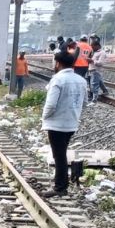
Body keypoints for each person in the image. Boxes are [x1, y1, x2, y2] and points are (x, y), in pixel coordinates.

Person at [41, 50, 86, 197]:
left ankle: (60, 187)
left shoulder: (57, 80)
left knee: (59, 155)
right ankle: (61, 182)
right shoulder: (81, 80)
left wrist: (43, 118)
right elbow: (84, 102)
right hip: (72, 122)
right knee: (61, 152)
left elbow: (51, 104)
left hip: (56, 123)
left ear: (58, 63)